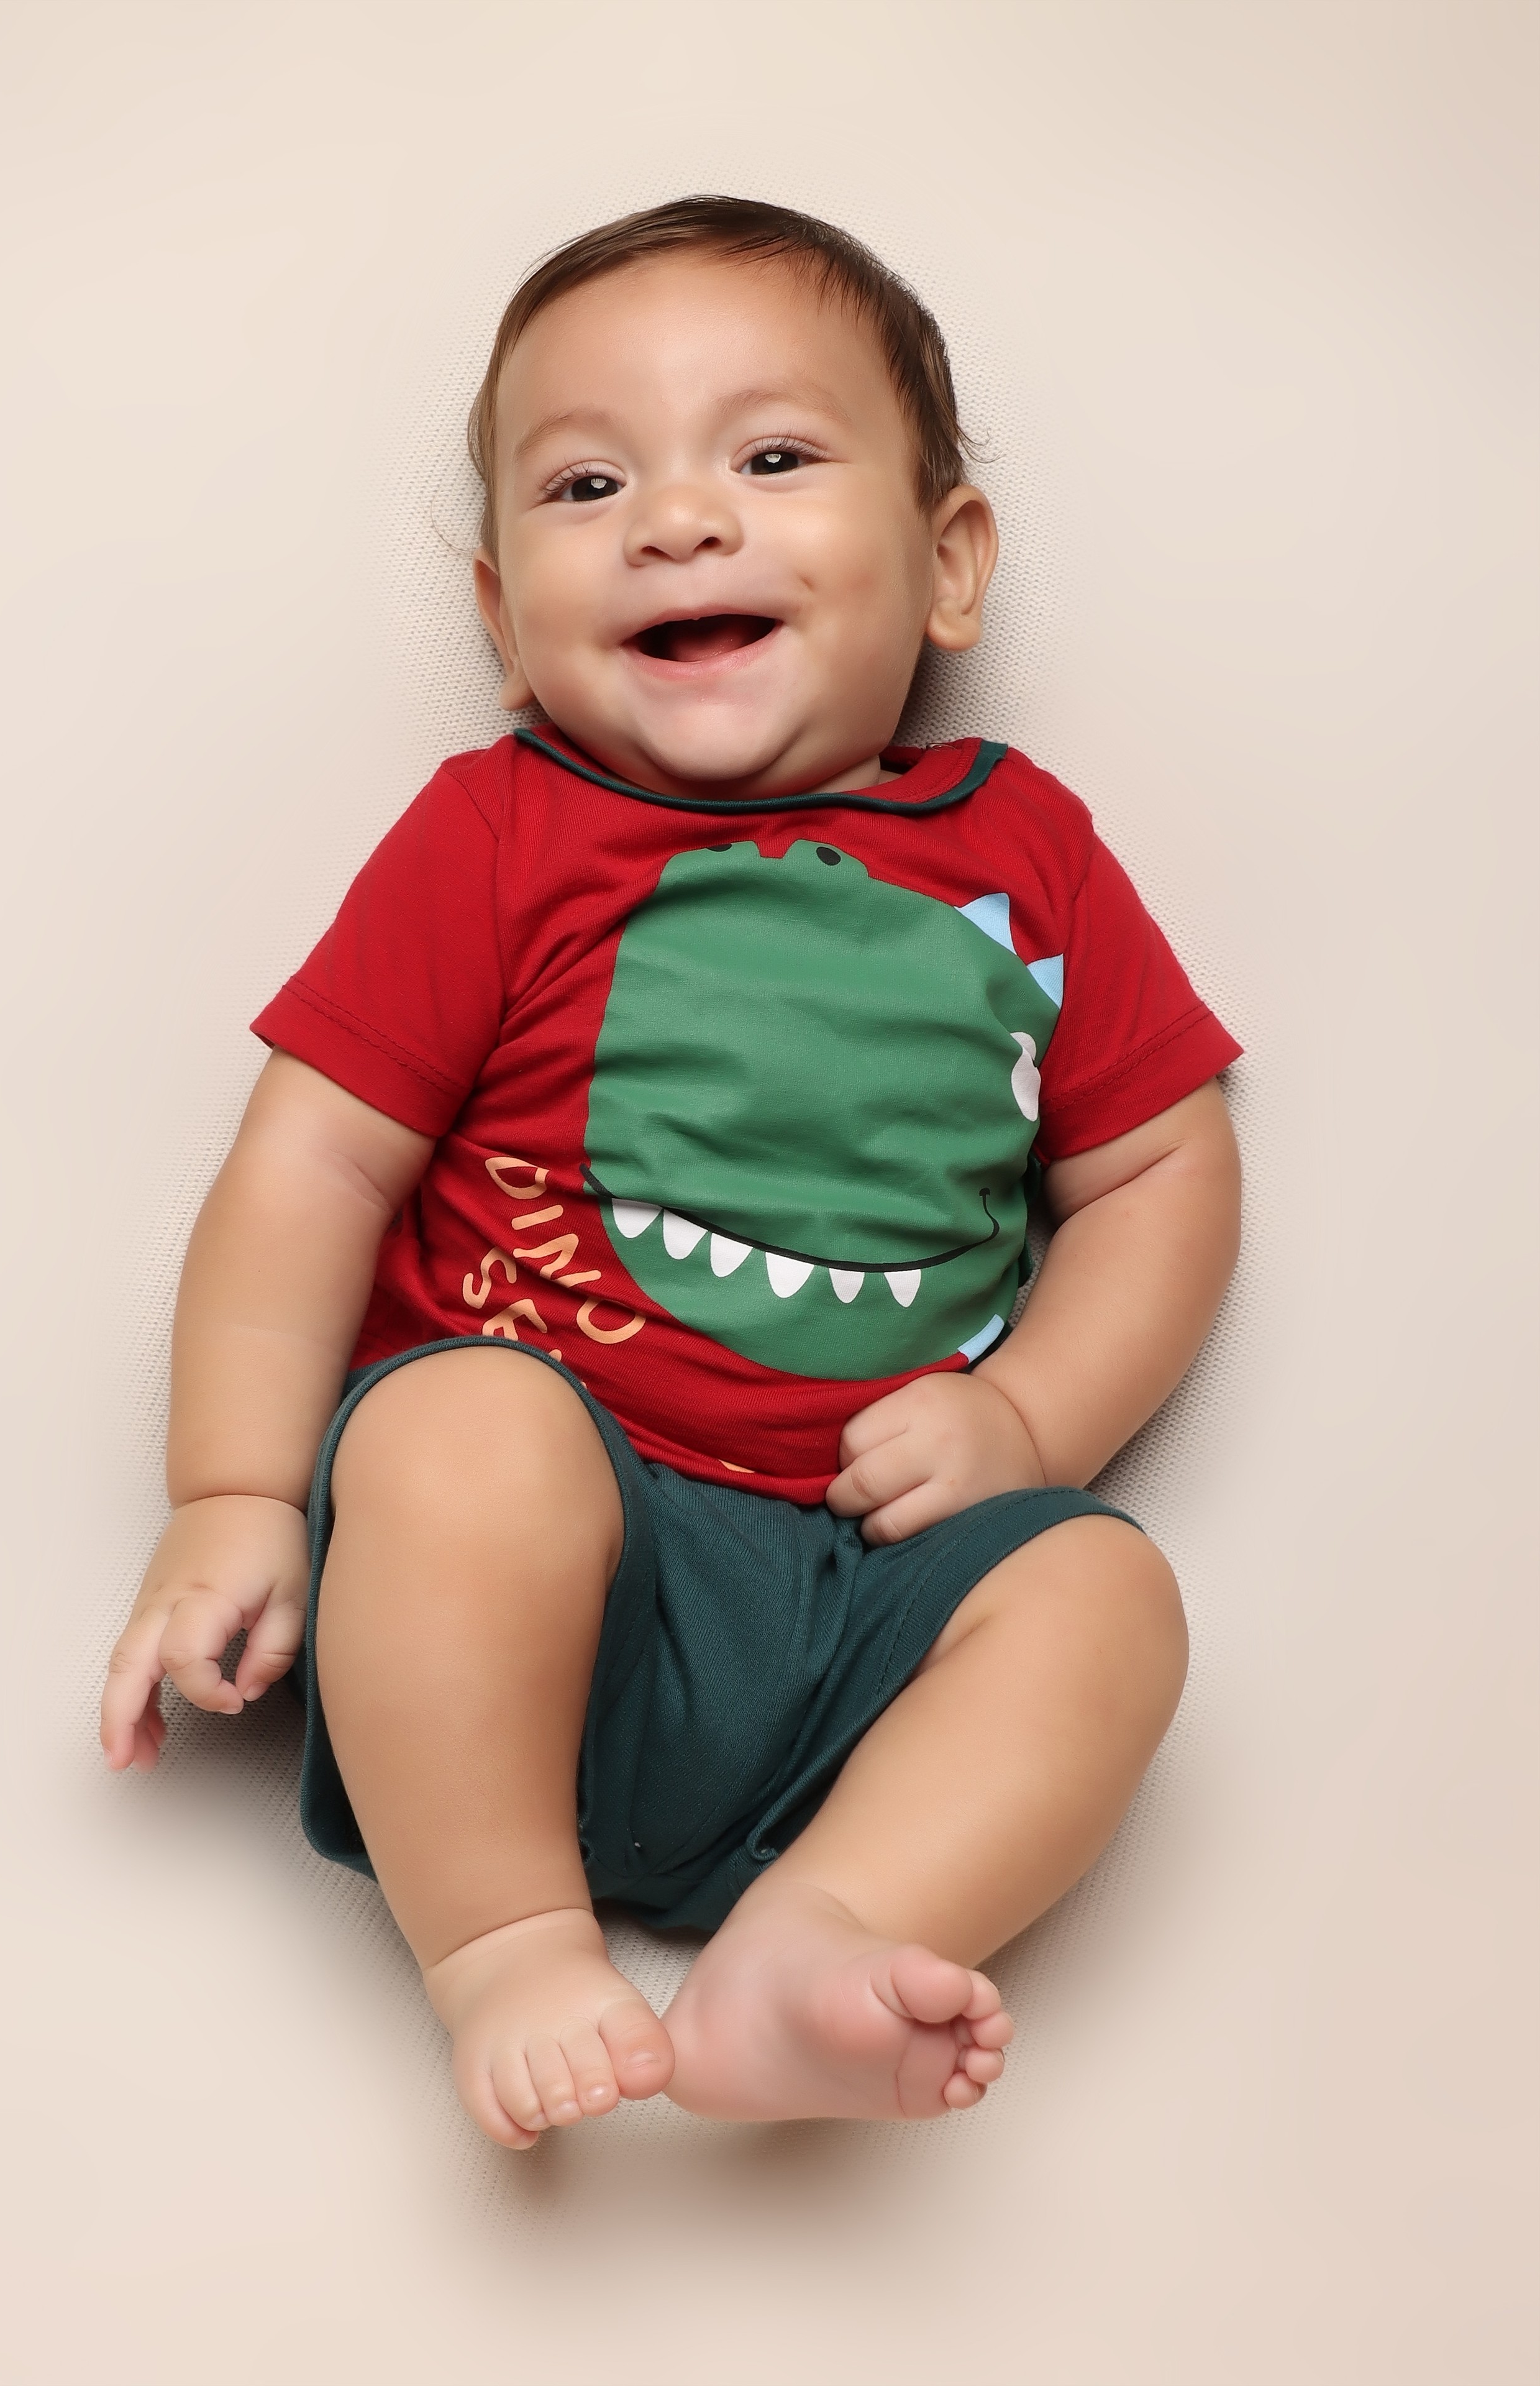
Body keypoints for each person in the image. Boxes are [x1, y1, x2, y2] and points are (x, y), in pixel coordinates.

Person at [100, 197, 1241, 2150]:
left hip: (865, 1607)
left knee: (1106, 1599)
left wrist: (1033, 1422)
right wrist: (230, 1493)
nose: (678, 522)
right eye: (587, 483)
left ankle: (813, 1943)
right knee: (455, 1427)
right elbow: (311, 1168)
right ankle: (502, 1942)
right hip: (539, 1595)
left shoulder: (1027, 850)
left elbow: (1156, 1174)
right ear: (501, 616)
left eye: (772, 458)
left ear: (948, 563)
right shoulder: (496, 836)